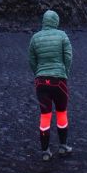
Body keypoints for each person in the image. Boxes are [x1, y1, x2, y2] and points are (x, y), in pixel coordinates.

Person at [28, 10, 73, 161]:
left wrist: (39, 73)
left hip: (41, 82)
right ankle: (63, 146)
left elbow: (31, 60)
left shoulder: (35, 38)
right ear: (56, 21)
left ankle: (45, 151)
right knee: (61, 113)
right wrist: (64, 72)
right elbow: (68, 56)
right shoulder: (62, 36)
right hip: (59, 81)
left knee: (45, 116)